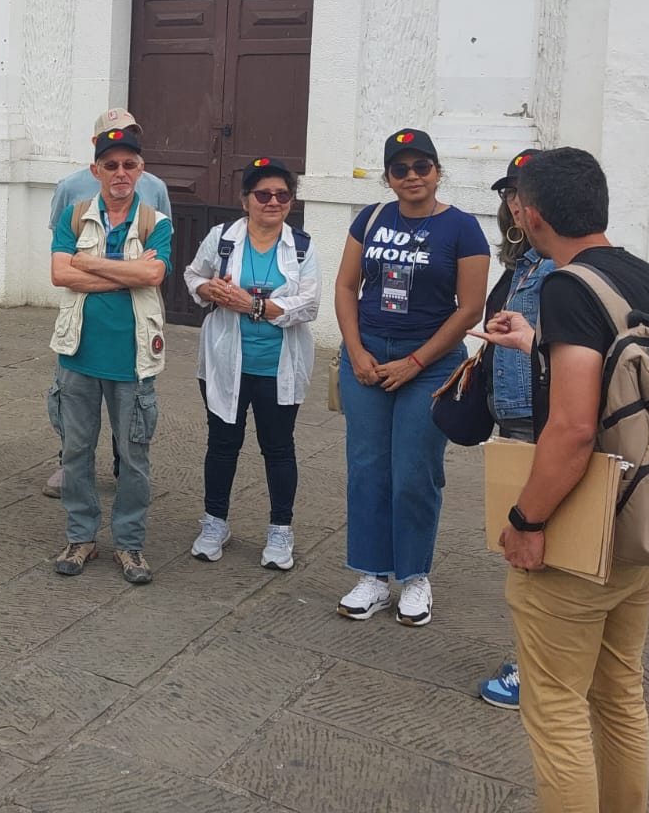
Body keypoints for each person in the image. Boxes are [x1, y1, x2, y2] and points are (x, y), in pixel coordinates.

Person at [473, 148, 649, 813]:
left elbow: (571, 429)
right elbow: (628, 384)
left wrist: (525, 520)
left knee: (555, 703)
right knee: (619, 692)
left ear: (530, 215)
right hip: (642, 517)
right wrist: (536, 342)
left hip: (579, 527)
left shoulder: (568, 284)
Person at [334, 128, 489, 625]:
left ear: (438, 172)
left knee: (414, 473)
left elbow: (470, 309)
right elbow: (345, 285)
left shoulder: (463, 229)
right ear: (388, 177)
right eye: (400, 169)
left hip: (430, 365)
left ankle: (415, 577)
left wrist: (417, 361)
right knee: (367, 468)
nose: (412, 177)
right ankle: (372, 576)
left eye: (422, 167)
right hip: (368, 359)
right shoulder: (372, 218)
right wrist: (355, 350)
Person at [183, 157, 321, 570]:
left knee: (279, 449)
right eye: (263, 194)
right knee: (222, 444)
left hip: (278, 365)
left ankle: (281, 530)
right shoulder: (222, 238)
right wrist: (209, 288)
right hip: (226, 362)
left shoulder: (301, 246)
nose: (272, 201)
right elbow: (193, 277)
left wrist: (256, 305)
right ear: (246, 200)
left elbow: (310, 304)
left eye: (282, 194)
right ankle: (214, 522)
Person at [48, 127, 172, 584]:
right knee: (76, 453)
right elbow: (60, 273)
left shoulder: (156, 221)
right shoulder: (77, 216)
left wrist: (88, 263)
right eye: (111, 165)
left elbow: (154, 273)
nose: (120, 173)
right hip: (78, 355)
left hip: (133, 361)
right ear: (96, 169)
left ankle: (130, 544)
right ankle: (81, 537)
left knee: (133, 458)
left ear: (140, 170)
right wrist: (126, 275)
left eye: (129, 164)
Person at [476, 149, 554, 710]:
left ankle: (537, 672)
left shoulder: (557, 267)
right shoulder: (522, 261)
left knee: (532, 544)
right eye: (508, 194)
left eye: (522, 194)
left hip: (537, 415)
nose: (514, 204)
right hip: (513, 410)